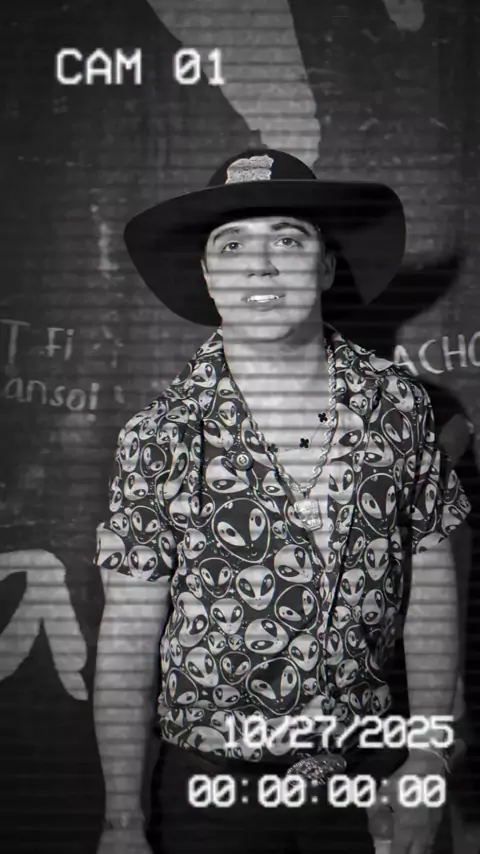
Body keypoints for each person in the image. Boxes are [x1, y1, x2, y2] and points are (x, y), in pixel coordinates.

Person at [93, 149, 471, 854]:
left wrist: (428, 757)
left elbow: (431, 583)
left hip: (371, 779)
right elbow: (127, 635)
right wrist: (122, 820)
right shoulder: (160, 434)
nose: (260, 266)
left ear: (326, 267)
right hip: (213, 794)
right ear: (208, 275)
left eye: (288, 240)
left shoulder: (399, 407)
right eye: (232, 245)